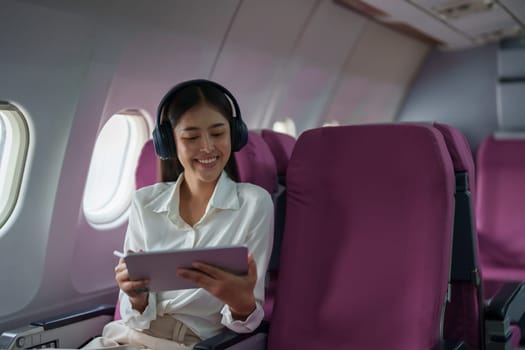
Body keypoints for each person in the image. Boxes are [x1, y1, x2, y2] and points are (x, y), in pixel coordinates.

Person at [84, 80, 274, 350]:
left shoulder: (255, 204)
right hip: (124, 339)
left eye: (218, 134)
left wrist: (240, 301)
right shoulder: (144, 203)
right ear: (169, 142)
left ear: (235, 135)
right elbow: (132, 316)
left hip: (195, 344)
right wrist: (135, 298)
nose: (207, 147)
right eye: (192, 137)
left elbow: (245, 323)